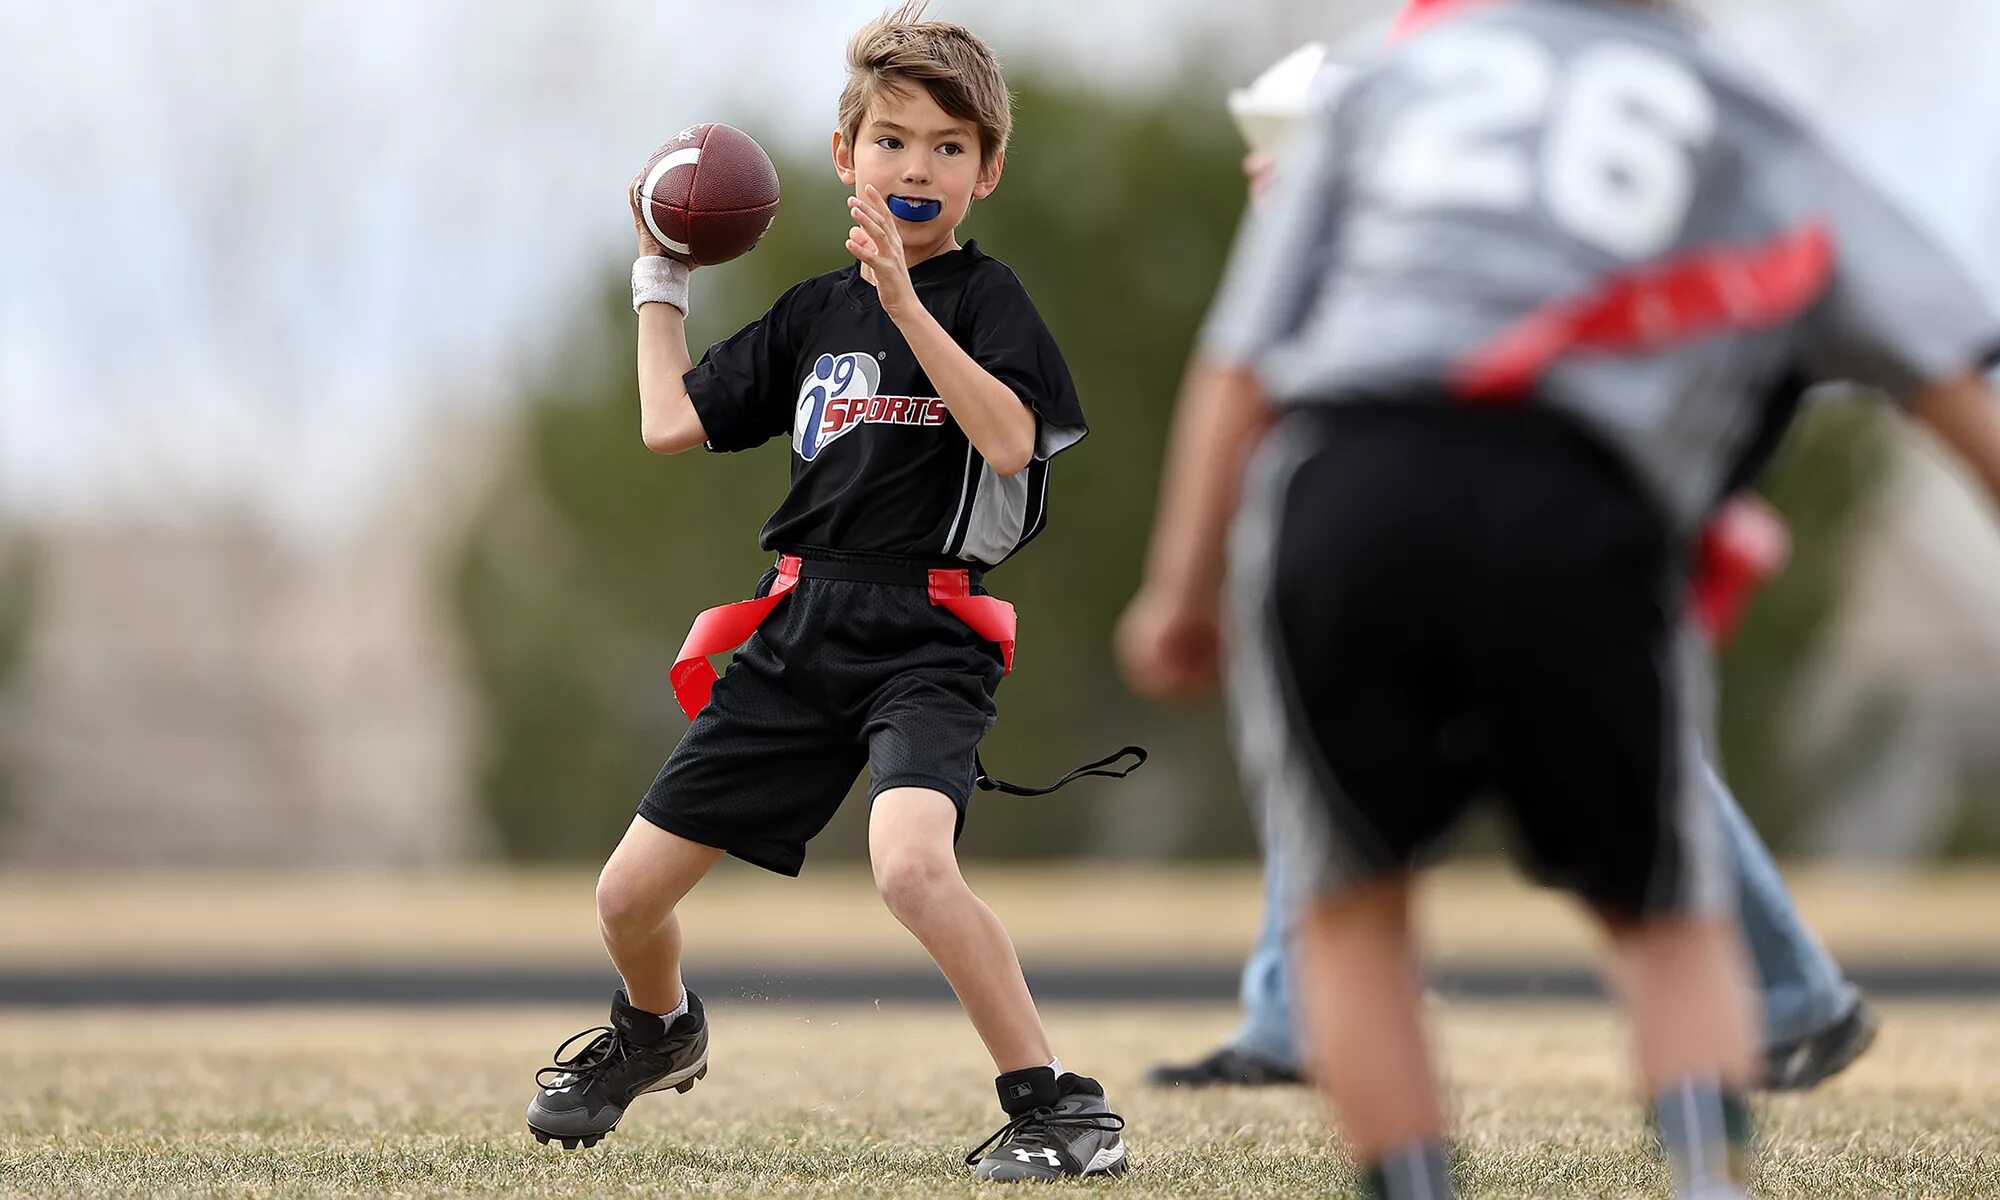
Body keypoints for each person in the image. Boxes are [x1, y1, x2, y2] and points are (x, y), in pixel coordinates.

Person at [1119, 0, 2000, 1196]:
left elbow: (1238, 357)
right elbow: (1936, 363)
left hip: (1346, 483)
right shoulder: (1728, 106)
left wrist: (1178, 587)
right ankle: (1704, 1174)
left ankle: (1412, 1182)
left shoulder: (1394, 77)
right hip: (1574, 497)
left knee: (1354, 907)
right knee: (1663, 919)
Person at [522, 3, 1129, 1182]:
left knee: (908, 865)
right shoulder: (813, 313)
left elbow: (1009, 440)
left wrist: (911, 303)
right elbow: (667, 424)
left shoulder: (984, 300)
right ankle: (656, 1030)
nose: (918, 166)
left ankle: (1057, 1109)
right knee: (625, 898)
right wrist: (659, 269)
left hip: (927, 634)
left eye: (949, 147)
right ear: (845, 155)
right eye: (893, 139)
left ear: (985, 172)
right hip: (798, 626)